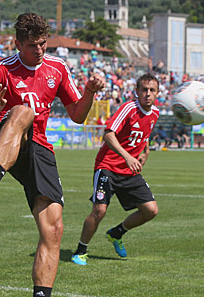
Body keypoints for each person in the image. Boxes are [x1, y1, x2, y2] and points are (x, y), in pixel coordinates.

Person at [0, 13, 105, 297]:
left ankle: (41, 294)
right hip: (8, 138)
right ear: (17, 44)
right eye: (32, 45)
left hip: (39, 149)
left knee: (54, 228)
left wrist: (88, 91)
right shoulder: (2, 68)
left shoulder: (58, 68)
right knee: (24, 111)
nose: (39, 50)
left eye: (42, 43)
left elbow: (77, 115)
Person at [71, 73, 160, 266]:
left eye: (152, 90)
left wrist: (145, 152)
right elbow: (108, 135)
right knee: (99, 210)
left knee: (151, 210)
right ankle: (81, 251)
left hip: (129, 171)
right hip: (108, 167)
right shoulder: (128, 108)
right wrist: (127, 156)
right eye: (144, 90)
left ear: (157, 93)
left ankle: (116, 233)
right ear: (137, 91)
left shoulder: (155, 113)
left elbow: (144, 136)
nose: (147, 94)